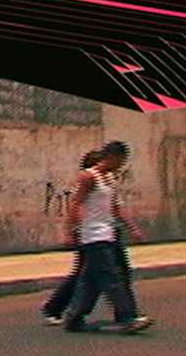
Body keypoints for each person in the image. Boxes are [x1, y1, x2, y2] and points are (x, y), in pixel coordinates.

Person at [63, 140, 153, 334]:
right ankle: (127, 318)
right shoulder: (88, 177)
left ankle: (74, 317)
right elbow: (75, 204)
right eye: (121, 160)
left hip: (108, 233)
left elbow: (115, 208)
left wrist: (133, 229)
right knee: (113, 277)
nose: (121, 165)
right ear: (112, 157)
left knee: (92, 280)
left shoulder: (110, 179)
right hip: (93, 235)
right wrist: (70, 231)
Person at [40, 149, 102, 325]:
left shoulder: (103, 183)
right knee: (84, 273)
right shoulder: (87, 182)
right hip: (88, 233)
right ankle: (57, 308)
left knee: (91, 274)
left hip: (99, 233)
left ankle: (64, 309)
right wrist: (71, 231)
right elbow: (76, 207)